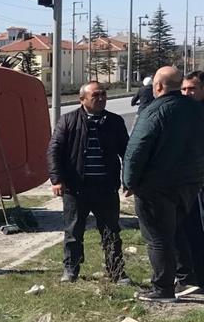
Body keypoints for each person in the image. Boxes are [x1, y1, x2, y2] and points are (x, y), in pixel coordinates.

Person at [122, 66, 204, 303]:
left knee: (158, 237)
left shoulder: (155, 111)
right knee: (175, 231)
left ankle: (162, 289)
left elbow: (137, 148)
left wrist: (129, 180)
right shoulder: (196, 110)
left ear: (157, 87)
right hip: (189, 184)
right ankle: (185, 278)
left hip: (156, 186)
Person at [47, 81, 131, 284]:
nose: (101, 98)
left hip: (105, 187)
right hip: (76, 189)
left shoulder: (114, 121)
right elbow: (54, 151)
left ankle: (116, 271)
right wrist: (57, 180)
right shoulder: (68, 120)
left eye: (103, 94)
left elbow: (127, 152)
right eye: (95, 95)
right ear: (82, 99)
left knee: (111, 231)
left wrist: (129, 179)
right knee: (73, 232)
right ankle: (70, 269)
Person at [175, 70, 204, 290]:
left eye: (192, 89)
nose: (186, 93)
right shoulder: (180, 114)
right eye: (183, 89)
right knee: (189, 229)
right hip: (187, 184)